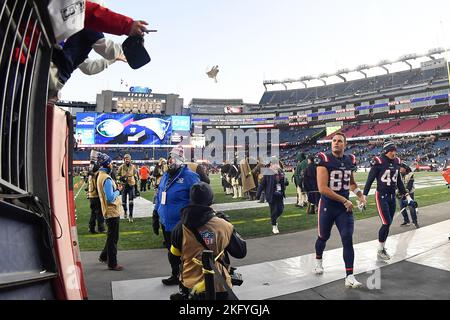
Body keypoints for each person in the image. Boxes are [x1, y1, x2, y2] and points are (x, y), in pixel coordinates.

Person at [169, 182, 247, 300]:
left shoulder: (179, 228)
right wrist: (228, 226)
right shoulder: (224, 225)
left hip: (190, 285)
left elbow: (173, 258)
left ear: (191, 199)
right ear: (211, 200)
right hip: (220, 285)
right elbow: (240, 252)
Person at [313, 133, 367, 288]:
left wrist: (360, 195)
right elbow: (322, 188)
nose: (336, 143)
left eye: (339, 141)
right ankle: (318, 260)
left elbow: (351, 184)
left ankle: (349, 275)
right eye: (334, 141)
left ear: (345, 144)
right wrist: (344, 200)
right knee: (323, 237)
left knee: (347, 238)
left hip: (344, 208)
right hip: (328, 206)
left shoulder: (350, 160)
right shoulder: (324, 159)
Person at [152, 146, 201, 286]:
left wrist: (191, 219)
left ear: (180, 160)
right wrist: (155, 214)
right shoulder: (166, 175)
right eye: (169, 158)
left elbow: (199, 200)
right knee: (172, 253)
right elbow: (160, 195)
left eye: (172, 158)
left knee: (186, 254)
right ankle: (176, 275)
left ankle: (189, 279)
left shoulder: (190, 177)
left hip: (182, 225)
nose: (169, 161)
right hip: (166, 223)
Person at [363, 142, 414, 261]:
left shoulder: (397, 162)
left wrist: (407, 196)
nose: (394, 153)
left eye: (394, 150)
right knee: (386, 222)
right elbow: (370, 180)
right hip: (381, 195)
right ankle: (380, 249)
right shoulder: (378, 161)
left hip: (392, 196)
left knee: (388, 223)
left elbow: (399, 182)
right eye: (391, 150)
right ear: (385, 151)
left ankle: (382, 247)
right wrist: (364, 196)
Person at [96, 152, 124, 271]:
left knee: (111, 236)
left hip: (107, 211)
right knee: (113, 239)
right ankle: (112, 263)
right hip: (112, 211)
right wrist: (118, 190)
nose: (112, 165)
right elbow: (110, 197)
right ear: (107, 164)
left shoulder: (100, 175)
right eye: (111, 163)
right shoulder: (106, 178)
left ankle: (103, 256)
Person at [256, 156, 286, 235]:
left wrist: (285, 183)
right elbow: (262, 184)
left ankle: (274, 220)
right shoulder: (267, 172)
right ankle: (274, 225)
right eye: (275, 163)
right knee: (273, 210)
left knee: (280, 209)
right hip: (271, 194)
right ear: (271, 164)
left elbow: (283, 181)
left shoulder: (280, 171)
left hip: (279, 194)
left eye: (277, 163)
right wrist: (258, 194)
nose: (277, 165)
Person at [117, 154, 139, 222]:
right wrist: (122, 177)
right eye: (126, 159)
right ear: (124, 160)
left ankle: (131, 216)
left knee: (131, 202)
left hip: (131, 185)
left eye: (128, 159)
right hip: (124, 185)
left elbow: (136, 176)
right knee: (123, 203)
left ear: (130, 159)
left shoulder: (133, 167)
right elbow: (117, 176)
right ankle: (125, 211)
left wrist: (136, 186)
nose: (127, 160)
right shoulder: (121, 167)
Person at [86, 162, 105, 234]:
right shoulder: (96, 176)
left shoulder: (91, 175)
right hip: (96, 196)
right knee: (100, 213)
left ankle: (91, 228)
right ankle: (101, 228)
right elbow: (98, 186)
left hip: (91, 196)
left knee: (93, 213)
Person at [398, 163, 419, 229]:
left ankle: (415, 222)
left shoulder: (410, 174)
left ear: (404, 168)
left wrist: (406, 192)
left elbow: (410, 185)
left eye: (401, 168)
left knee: (411, 208)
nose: (400, 169)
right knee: (402, 208)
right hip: (401, 193)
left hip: (409, 193)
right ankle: (407, 221)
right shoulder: (398, 174)